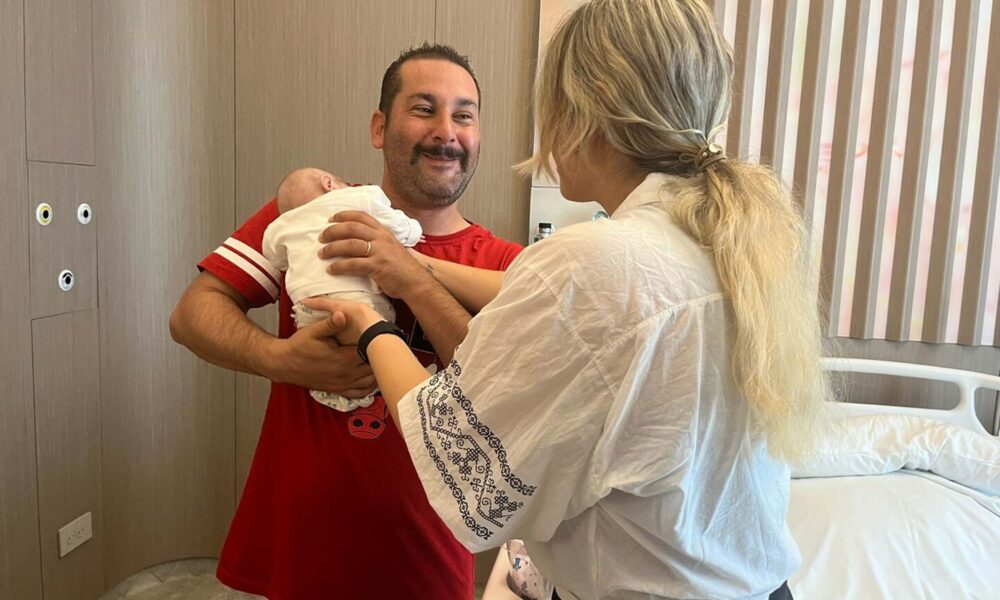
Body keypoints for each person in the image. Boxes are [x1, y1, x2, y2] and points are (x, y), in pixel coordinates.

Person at [305, 1, 830, 598]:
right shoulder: (734, 243)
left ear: (585, 113)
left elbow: (461, 462)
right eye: (423, 109)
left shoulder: (590, 262)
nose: (446, 132)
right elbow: (579, 310)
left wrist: (369, 325)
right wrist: (414, 264)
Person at [169, 43, 522, 599]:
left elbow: (494, 401)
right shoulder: (315, 214)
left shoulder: (505, 266)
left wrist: (413, 275)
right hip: (297, 554)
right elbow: (192, 314)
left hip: (428, 567)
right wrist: (279, 359)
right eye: (424, 108)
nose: (446, 132)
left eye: (464, 116)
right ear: (380, 128)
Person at [263, 167, 422, 411]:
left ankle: (328, 394)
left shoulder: (282, 222)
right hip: (358, 298)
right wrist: (414, 231)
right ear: (328, 183)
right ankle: (378, 390)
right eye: (344, 181)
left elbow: (274, 256)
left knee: (319, 359)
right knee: (378, 353)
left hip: (309, 304)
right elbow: (395, 226)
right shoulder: (361, 197)